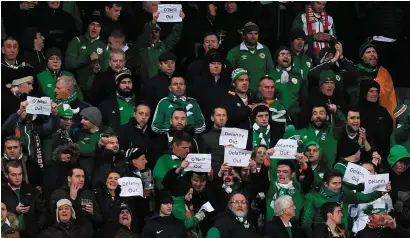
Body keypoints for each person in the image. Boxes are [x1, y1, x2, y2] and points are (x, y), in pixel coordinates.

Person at [301, 169, 391, 238]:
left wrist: (381, 191)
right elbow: (306, 223)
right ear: (325, 184)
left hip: (343, 233)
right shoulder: (313, 197)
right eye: (334, 183)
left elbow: (364, 198)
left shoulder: (344, 195)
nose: (338, 186)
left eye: (340, 183)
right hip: (322, 234)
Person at [284, 104, 345, 171]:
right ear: (311, 118)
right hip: (305, 172)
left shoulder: (333, 132)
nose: (318, 116)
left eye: (321, 113)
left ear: (327, 117)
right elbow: (287, 150)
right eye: (315, 113)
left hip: (326, 174)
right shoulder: (301, 133)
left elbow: (341, 123)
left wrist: (336, 112)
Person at [65, 14, 109, 94]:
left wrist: (99, 68)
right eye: (92, 24)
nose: (95, 28)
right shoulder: (77, 41)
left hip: (95, 90)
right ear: (87, 26)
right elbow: (69, 64)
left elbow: (106, 69)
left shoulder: (103, 46)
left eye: (98, 26)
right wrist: (87, 58)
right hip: (76, 88)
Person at [134, 9, 184, 79]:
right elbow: (144, 36)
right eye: (152, 31)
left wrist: (179, 21)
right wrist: (153, 22)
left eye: (157, 30)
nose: (154, 33)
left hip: (164, 80)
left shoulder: (164, 45)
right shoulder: (142, 47)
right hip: (148, 82)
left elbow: (175, 36)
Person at [1, 161, 46, 238]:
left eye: (20, 174)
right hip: (8, 235)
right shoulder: (2, 192)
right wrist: (15, 211)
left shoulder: (32, 190)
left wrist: (36, 228)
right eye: (13, 175)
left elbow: (42, 212)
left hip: (31, 235)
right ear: (7, 175)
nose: (17, 178)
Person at [188, 50, 231, 128]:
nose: (216, 66)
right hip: (203, 123)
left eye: (219, 63)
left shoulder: (227, 84)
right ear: (207, 65)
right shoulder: (198, 83)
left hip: (223, 124)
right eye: (213, 63)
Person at [227, 22, 274, 92]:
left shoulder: (264, 49)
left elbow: (271, 71)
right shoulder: (234, 52)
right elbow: (228, 72)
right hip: (242, 93)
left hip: (261, 93)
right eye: (250, 33)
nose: (253, 36)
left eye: (256, 34)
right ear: (244, 35)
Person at [353, 43, 397, 118]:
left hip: (382, 114)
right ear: (362, 57)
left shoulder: (384, 72)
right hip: (361, 114)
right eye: (368, 52)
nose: (372, 54)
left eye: (374, 52)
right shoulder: (355, 71)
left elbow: (391, 98)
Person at [356, 80, 393, 166]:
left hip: (384, 156)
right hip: (364, 155)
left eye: (377, 91)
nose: (375, 94)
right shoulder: (356, 111)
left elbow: (390, 129)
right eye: (371, 91)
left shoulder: (383, 111)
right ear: (364, 92)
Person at [270, 46, 306, 128]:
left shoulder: (298, 76)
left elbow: (304, 97)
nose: (286, 56)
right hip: (278, 115)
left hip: (296, 116)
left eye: (288, 54)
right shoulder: (271, 76)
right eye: (282, 54)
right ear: (276, 58)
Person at [73, 107, 112, 182]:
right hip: (86, 177)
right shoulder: (79, 133)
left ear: (94, 120)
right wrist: (98, 147)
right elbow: (81, 150)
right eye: (82, 118)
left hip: (105, 174)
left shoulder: (107, 131)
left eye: (85, 119)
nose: (81, 121)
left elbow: (112, 149)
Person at [199, 107, 228, 171]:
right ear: (212, 118)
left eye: (224, 115)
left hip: (231, 174)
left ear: (227, 118)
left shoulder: (236, 137)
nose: (221, 118)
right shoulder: (204, 138)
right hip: (213, 176)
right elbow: (203, 162)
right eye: (218, 115)